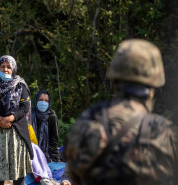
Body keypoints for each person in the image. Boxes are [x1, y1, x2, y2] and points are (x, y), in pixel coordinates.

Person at [65, 39, 178, 185]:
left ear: (114, 79)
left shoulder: (86, 123)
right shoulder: (166, 134)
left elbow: (75, 177)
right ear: (154, 86)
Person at [0, 55, 33, 185]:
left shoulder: (20, 85)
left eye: (8, 67)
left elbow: (25, 106)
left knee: (18, 170)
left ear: (13, 69)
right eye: (2, 66)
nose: (5, 69)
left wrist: (10, 118)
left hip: (16, 132)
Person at [31, 90, 61, 162]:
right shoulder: (30, 114)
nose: (43, 103)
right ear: (36, 101)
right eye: (40, 100)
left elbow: (53, 139)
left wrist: (56, 159)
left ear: (49, 102)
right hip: (30, 153)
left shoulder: (51, 116)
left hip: (46, 155)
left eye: (46, 101)